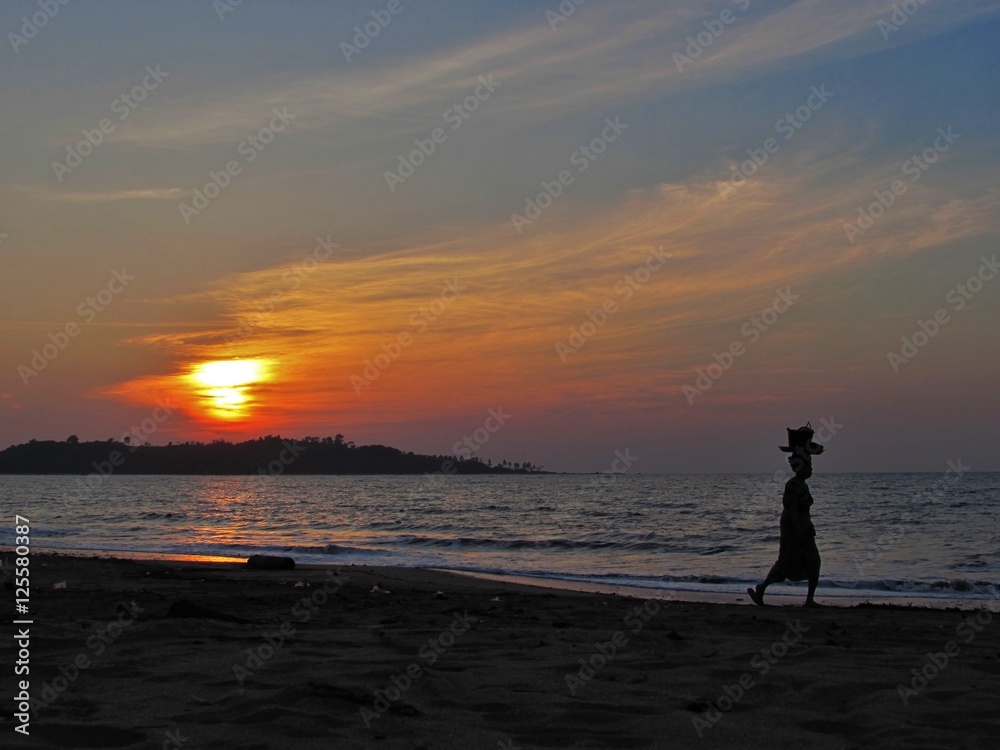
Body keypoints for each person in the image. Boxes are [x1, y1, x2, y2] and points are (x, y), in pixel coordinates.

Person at [748, 423, 824, 607]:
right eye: (808, 465)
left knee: (813, 560)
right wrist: (798, 532)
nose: (810, 469)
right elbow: (793, 512)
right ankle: (763, 588)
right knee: (787, 560)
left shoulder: (803, 485)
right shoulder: (792, 486)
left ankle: (809, 599)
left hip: (805, 527)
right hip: (794, 528)